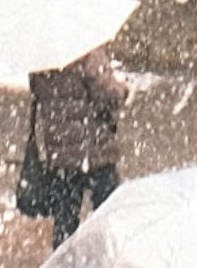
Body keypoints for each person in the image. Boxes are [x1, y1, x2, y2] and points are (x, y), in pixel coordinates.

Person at [15, 38, 128, 245]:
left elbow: (40, 94)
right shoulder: (88, 50)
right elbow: (107, 94)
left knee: (65, 217)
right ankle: (106, 260)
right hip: (94, 150)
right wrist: (122, 89)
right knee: (108, 211)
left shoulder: (41, 60)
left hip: (60, 154)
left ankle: (63, 265)